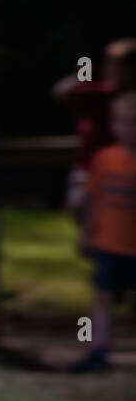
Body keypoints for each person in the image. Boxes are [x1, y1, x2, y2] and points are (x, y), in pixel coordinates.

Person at [70, 92, 136, 373]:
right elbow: (93, 200)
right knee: (103, 298)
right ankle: (98, 351)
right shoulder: (104, 158)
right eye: (120, 122)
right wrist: (88, 234)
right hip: (110, 244)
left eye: (132, 123)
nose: (126, 129)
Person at [53, 38, 136, 227]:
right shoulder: (98, 93)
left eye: (121, 66)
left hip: (126, 171)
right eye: (111, 65)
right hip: (88, 166)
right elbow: (62, 92)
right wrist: (80, 76)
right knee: (82, 209)